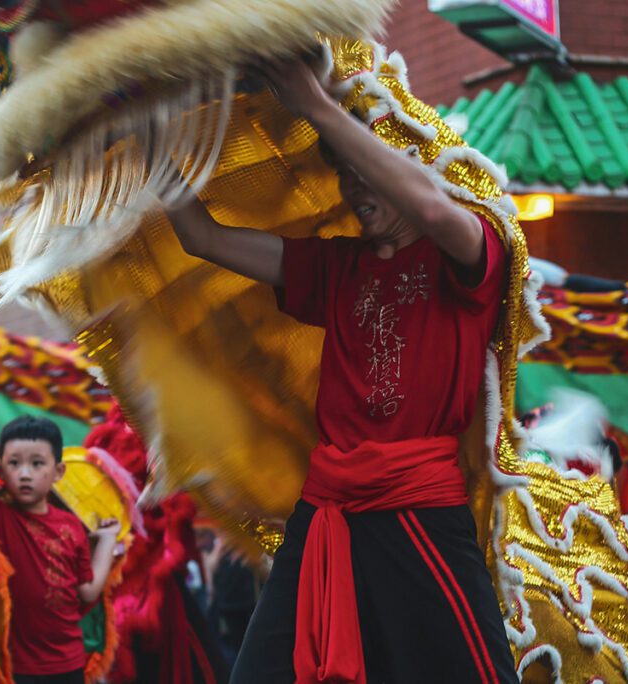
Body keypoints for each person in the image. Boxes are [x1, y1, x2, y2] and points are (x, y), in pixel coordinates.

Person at [166, 56, 519, 683]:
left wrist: (317, 107)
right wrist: (150, 129)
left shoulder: (471, 252)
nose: (357, 191)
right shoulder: (337, 267)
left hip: (419, 514)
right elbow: (203, 238)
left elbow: (437, 215)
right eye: (346, 177)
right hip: (327, 512)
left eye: (370, 174)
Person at [0, 415, 121, 684]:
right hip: (15, 666)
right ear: (1, 471)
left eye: (37, 464)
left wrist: (106, 541)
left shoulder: (71, 525)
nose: (25, 473)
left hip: (68, 663)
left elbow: (88, 591)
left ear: (58, 472)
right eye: (15, 463)